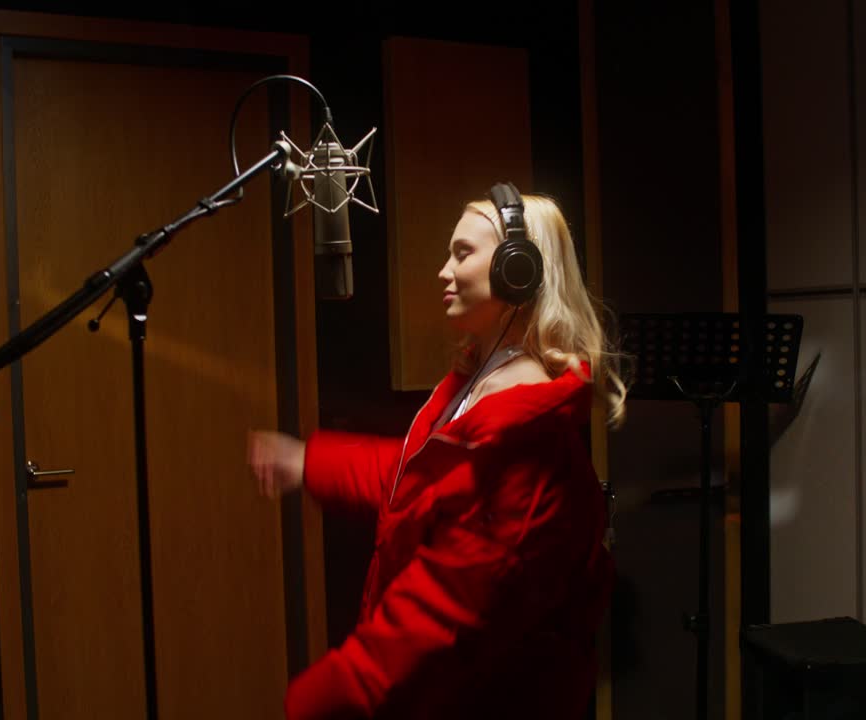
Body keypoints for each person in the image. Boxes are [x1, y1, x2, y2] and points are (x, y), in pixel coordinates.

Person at [248, 184, 627, 719]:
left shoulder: (525, 434)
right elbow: (420, 483)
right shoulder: (482, 382)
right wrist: (309, 462)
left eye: (463, 253)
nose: (443, 272)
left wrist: (326, 697)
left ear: (517, 270)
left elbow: (449, 603)